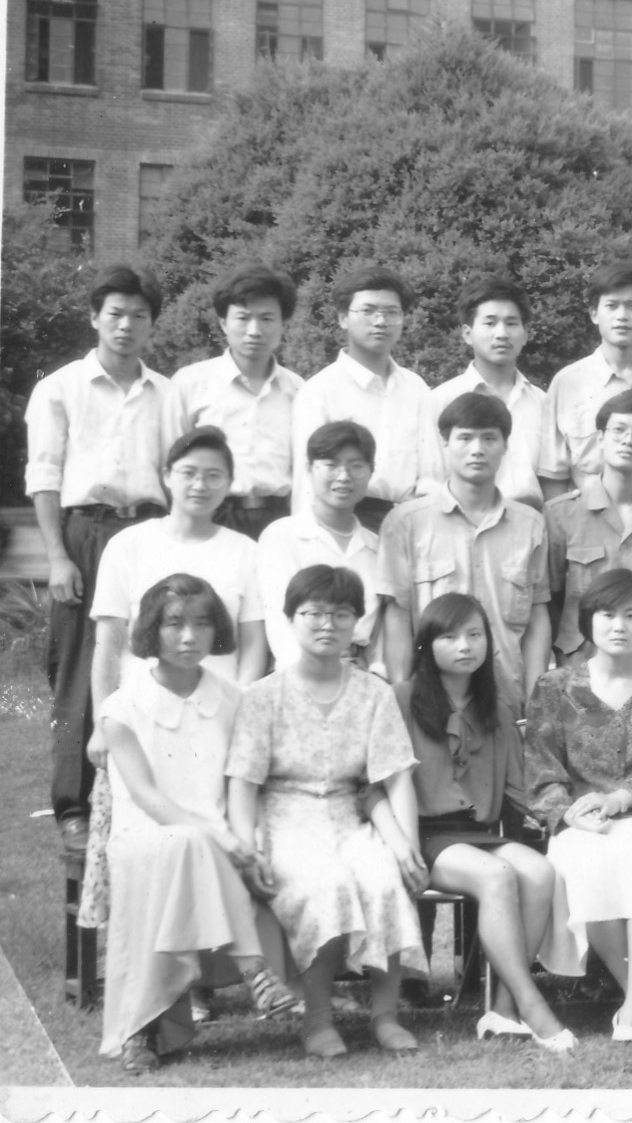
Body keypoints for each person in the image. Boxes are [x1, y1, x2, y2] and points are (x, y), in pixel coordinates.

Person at [226, 562, 427, 1060]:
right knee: (324, 884)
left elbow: (395, 776)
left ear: (356, 622)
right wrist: (247, 849)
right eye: (313, 613)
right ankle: (317, 1019)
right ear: (291, 619)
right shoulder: (263, 696)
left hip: (348, 814)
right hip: (283, 817)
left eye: (340, 614)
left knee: (383, 879)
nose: (327, 624)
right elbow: (243, 784)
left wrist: (408, 848)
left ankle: (385, 1015)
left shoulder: (374, 692)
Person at [30, 265, 175, 855]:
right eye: (115, 313)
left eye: (139, 315)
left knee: (152, 659)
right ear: (94, 317)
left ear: (151, 325)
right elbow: (44, 477)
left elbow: (176, 472)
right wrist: (57, 557)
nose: (126, 325)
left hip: (150, 531)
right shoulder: (60, 388)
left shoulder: (168, 394)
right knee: (78, 668)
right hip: (84, 534)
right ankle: (74, 807)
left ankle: (146, 796)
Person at [95, 575, 265, 1073]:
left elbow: (242, 786)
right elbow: (147, 797)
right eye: (174, 624)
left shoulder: (235, 699)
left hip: (218, 839)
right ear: (152, 629)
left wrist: (246, 841)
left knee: (190, 847)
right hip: (143, 838)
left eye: (203, 623)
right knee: (185, 844)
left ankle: (142, 1031)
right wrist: (221, 839)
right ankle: (254, 971)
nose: (190, 637)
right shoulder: (122, 707)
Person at [395, 592, 575, 1051]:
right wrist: (401, 843)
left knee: (540, 871)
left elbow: (520, 787)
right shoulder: (402, 699)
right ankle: (533, 1005)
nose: (464, 646)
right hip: (425, 834)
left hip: (476, 833)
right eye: (450, 636)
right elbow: (386, 782)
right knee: (496, 876)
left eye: (475, 635)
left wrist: (566, 812)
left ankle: (503, 1009)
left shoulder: (497, 704)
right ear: (426, 644)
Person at [524, 567, 632, 1043]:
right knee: (582, 861)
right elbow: (541, 766)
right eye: (607, 614)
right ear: (588, 621)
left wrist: (620, 799)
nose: (619, 625)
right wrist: (569, 813)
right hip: (583, 819)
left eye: (631, 615)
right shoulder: (554, 688)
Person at [378, 393, 554, 720]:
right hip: (429, 704)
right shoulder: (405, 523)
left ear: (505, 445)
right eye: (465, 438)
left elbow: (537, 617)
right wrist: (402, 698)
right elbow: (397, 617)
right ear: (445, 443)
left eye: (489, 438)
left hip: (506, 702)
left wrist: (536, 702)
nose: (477, 449)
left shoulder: (530, 525)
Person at [89, 426, 269, 741]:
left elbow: (254, 643)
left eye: (214, 476)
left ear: (229, 483)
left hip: (220, 716)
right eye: (188, 473)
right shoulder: (127, 545)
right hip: (140, 713)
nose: (200, 485)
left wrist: (241, 709)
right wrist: (102, 722)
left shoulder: (247, 552)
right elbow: (108, 644)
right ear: (167, 476)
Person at [288, 265, 438, 530]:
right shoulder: (320, 391)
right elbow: (307, 480)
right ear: (343, 318)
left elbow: (432, 471)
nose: (380, 321)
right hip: (343, 521)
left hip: (409, 523)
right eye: (368, 311)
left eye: (391, 312)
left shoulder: (416, 389)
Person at [166, 265, 304, 541]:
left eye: (267, 318)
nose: (254, 330)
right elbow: (170, 459)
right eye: (242, 318)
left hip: (278, 519)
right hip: (210, 517)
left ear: (283, 324)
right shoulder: (190, 383)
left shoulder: (298, 390)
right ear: (223, 323)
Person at [544, 391, 632, 670]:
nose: (628, 440)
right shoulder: (561, 515)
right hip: (579, 667)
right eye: (618, 430)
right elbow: (549, 599)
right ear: (600, 438)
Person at [256, 423, 396, 673]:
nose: (344, 476)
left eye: (356, 466)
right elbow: (279, 622)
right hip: (299, 673)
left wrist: (376, 676)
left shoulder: (377, 547)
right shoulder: (282, 536)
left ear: (370, 472)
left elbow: (379, 635)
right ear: (309, 469)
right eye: (331, 465)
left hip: (360, 674)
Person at [539, 262, 632, 499]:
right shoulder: (566, 383)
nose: (622, 316)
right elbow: (552, 476)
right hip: (585, 517)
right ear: (594, 314)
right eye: (611, 306)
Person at [426, 277, 548, 510]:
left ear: (525, 334)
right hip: (462, 522)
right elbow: (431, 479)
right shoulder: (442, 400)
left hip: (531, 524)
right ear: (467, 333)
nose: (502, 333)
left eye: (511, 323)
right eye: (490, 323)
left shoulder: (543, 403)